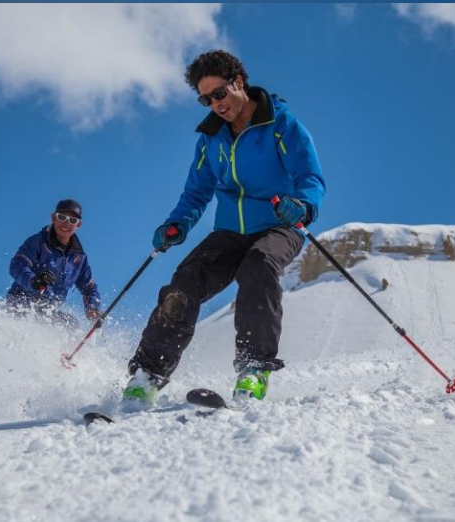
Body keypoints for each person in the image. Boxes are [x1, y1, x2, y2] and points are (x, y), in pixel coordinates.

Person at [122, 50, 326, 409]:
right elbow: (197, 192)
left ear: (239, 83)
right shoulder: (210, 138)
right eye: (206, 99)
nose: (216, 104)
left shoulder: (281, 124)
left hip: (280, 223)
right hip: (230, 232)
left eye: (219, 93)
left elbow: (309, 176)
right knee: (184, 282)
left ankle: (254, 369)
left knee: (258, 267)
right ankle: (147, 376)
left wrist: (303, 205)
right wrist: (176, 223)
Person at [7, 199, 102, 329]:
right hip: (21, 302)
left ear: (78, 224)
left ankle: (66, 345)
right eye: (62, 217)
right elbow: (17, 266)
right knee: (34, 321)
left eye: (72, 220)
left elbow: (89, 289)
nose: (66, 223)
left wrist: (93, 310)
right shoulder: (38, 242)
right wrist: (34, 280)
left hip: (46, 310)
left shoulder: (79, 258)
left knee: (71, 325)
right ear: (53, 218)